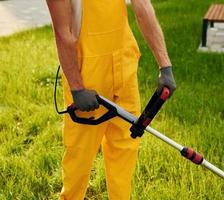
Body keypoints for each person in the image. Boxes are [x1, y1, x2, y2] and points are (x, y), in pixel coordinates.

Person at [46, 0, 176, 199]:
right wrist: (76, 87)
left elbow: (143, 7)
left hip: (124, 65)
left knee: (125, 148)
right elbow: (63, 32)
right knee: (79, 157)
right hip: (88, 76)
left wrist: (164, 65)